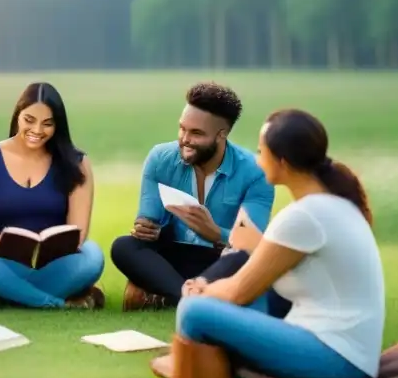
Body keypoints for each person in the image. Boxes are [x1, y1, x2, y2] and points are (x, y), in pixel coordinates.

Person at [172, 108, 385, 378]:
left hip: (336, 357)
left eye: (262, 153)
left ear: (282, 162)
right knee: (251, 292)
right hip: (339, 345)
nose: (258, 161)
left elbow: (237, 290)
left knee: (193, 311)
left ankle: (205, 368)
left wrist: (200, 291)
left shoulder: (304, 216)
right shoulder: (333, 204)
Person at [110, 82, 277, 312]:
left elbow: (252, 245)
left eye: (196, 133)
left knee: (249, 262)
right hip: (173, 255)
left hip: (221, 260)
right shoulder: (161, 158)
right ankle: (191, 298)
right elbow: (150, 222)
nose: (185, 139)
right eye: (182, 128)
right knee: (124, 247)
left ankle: (167, 293)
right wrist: (148, 229)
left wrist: (215, 233)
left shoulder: (255, 173)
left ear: (222, 135)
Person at [0, 81, 106, 310]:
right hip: (5, 261)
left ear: (58, 125)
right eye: (29, 120)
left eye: (47, 124)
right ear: (18, 115)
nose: (37, 131)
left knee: (93, 256)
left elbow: (79, 232)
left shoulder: (77, 163)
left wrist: (55, 248)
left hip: (55, 263)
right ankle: (55, 302)